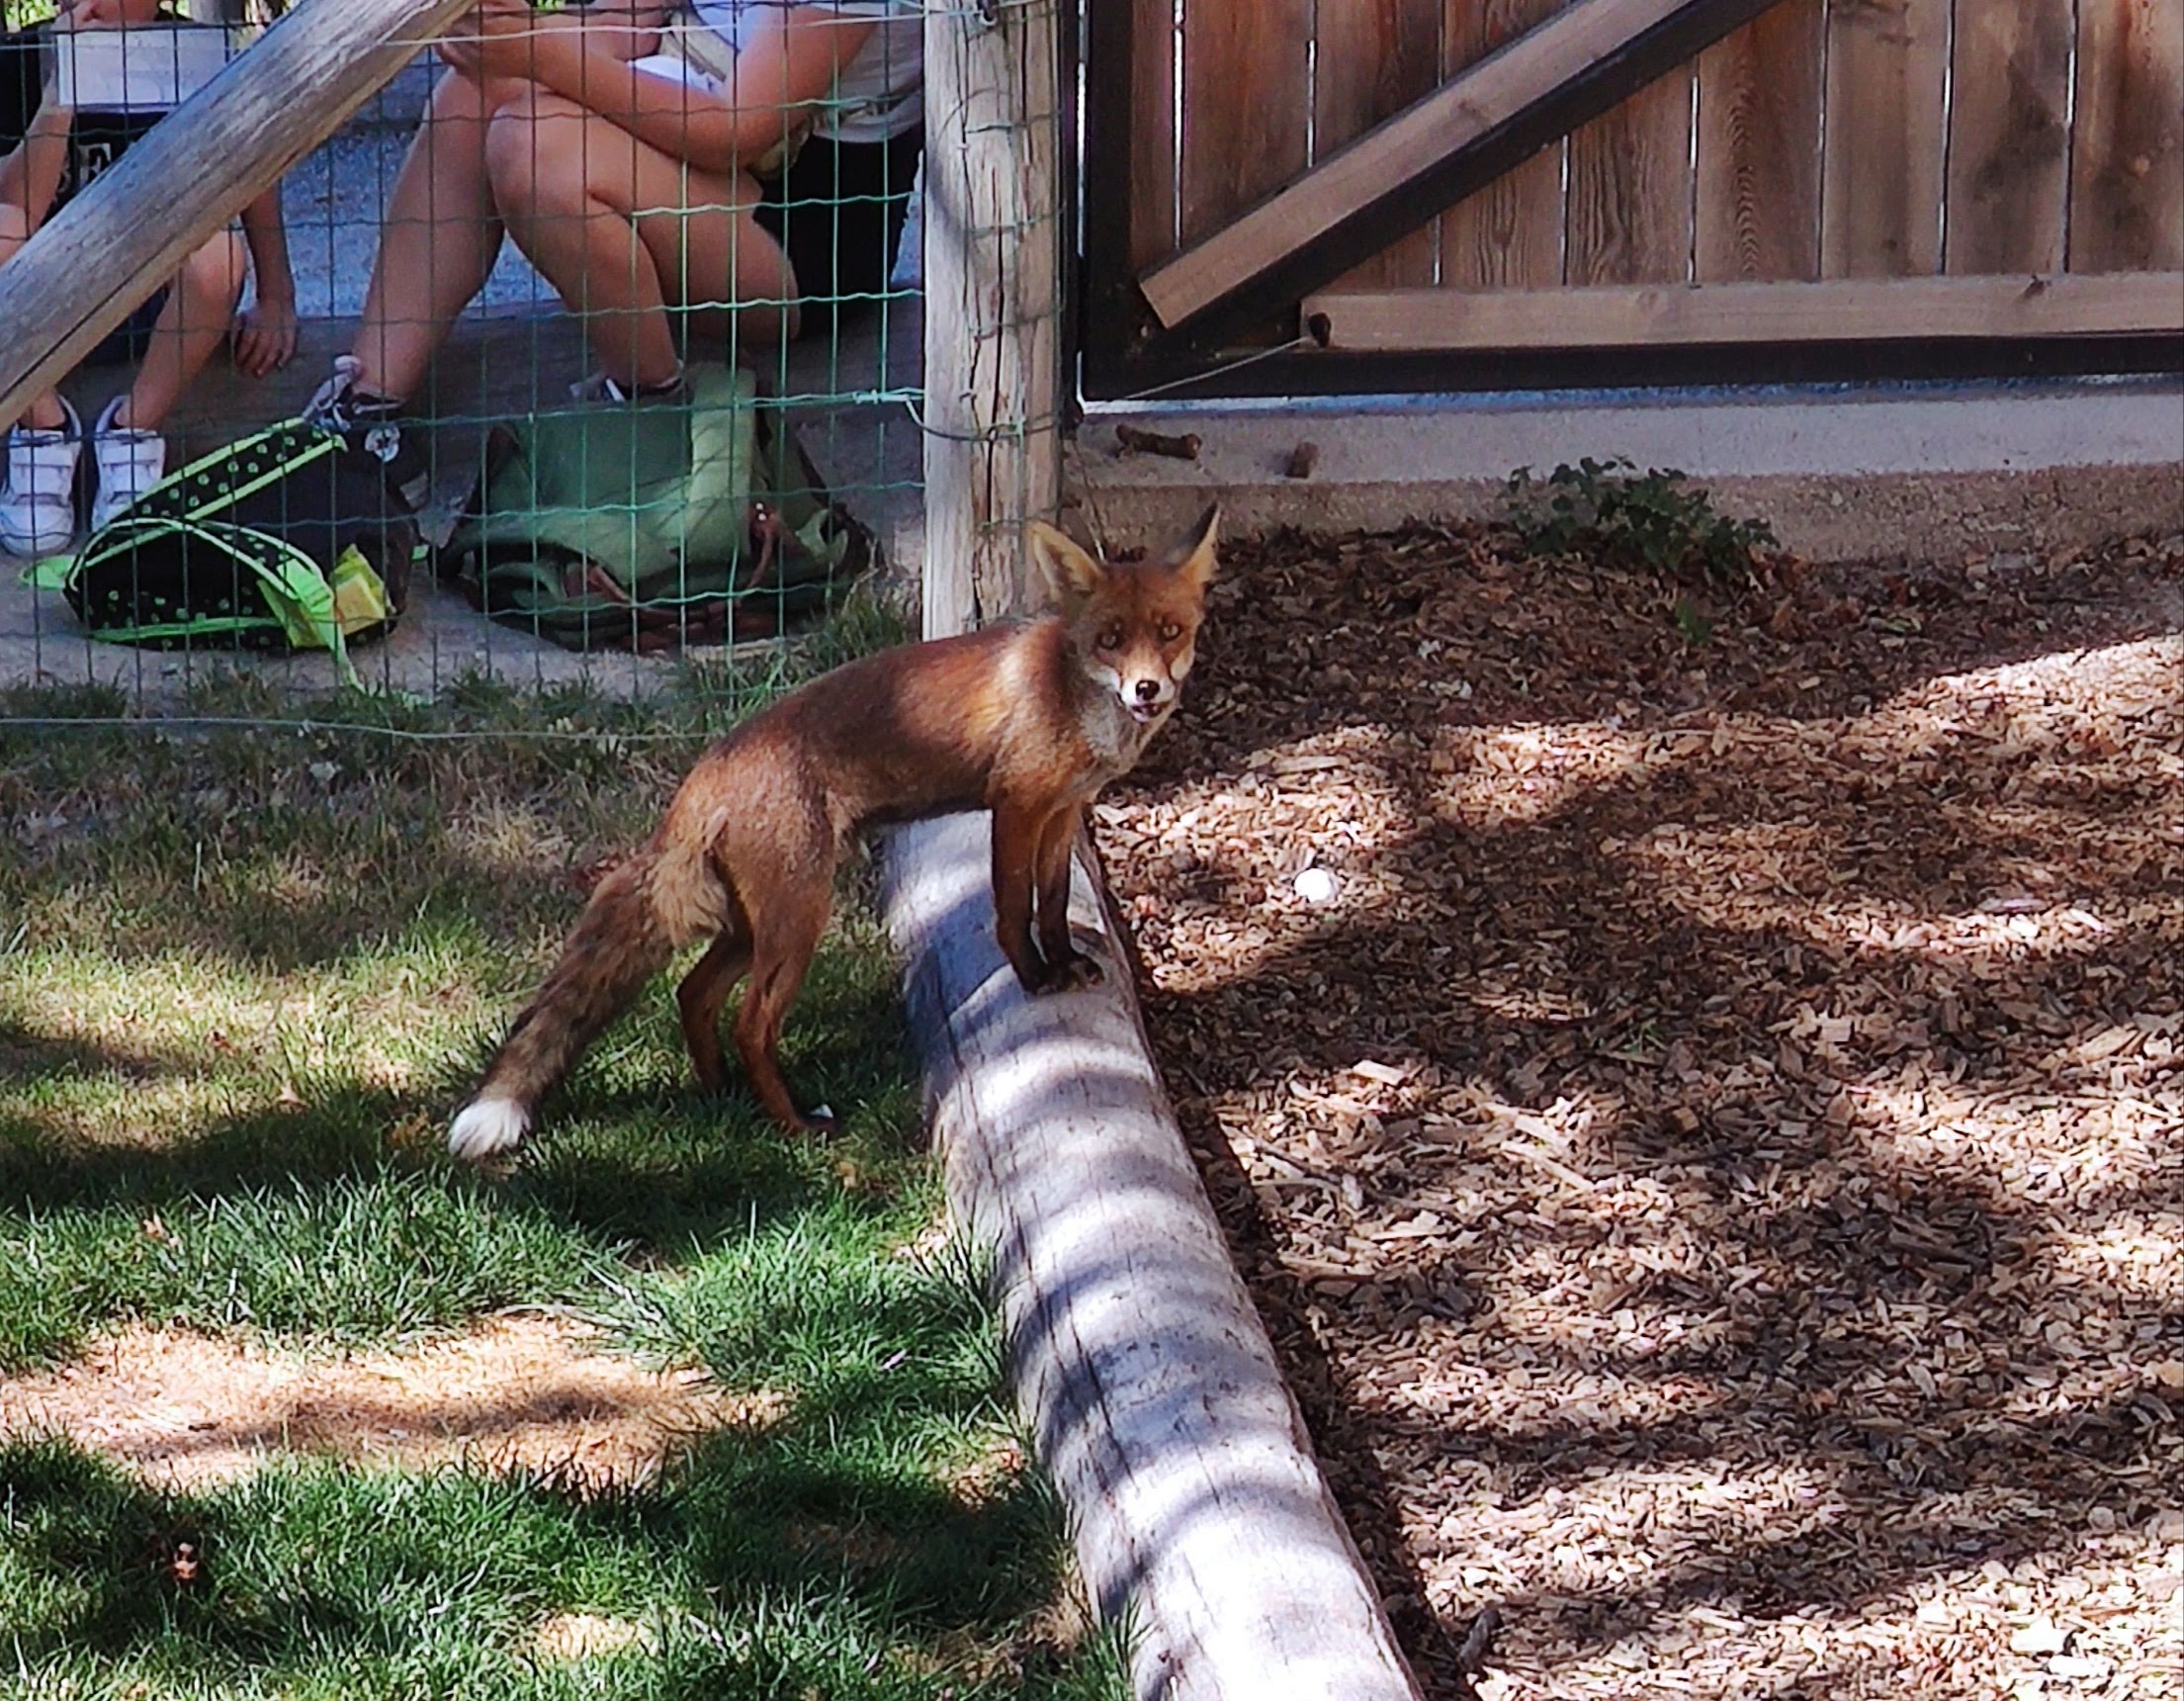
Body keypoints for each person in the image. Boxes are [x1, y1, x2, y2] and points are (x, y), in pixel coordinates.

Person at [306, 0, 921, 454]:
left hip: (799, 231)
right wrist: (509, 39)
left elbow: (736, 133)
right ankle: (362, 415)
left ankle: (654, 419)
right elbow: (632, 24)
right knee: (474, 94)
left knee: (534, 150)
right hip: (701, 122)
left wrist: (540, 52)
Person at [0, 0, 298, 557]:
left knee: (219, 251)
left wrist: (277, 294)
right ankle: (42, 426)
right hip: (39, 307)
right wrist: (60, 93)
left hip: (156, 302)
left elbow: (250, 169)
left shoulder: (196, 51)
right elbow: (18, 210)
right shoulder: (20, 57)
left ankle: (133, 430)